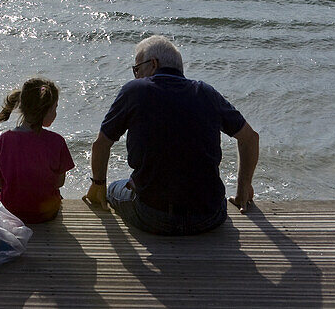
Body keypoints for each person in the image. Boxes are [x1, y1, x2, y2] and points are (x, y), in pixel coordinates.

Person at [84, 35, 259, 235]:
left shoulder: (136, 90)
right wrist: (243, 186)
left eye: (136, 69)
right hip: (209, 216)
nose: (136, 76)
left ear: (153, 63)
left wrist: (98, 184)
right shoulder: (206, 92)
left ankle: (133, 185)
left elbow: (101, 144)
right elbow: (250, 138)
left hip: (153, 216)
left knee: (114, 188)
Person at [0, 77, 74, 224]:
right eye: (55, 108)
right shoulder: (57, 141)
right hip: (47, 214)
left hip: (11, 212)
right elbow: (59, 182)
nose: (56, 113)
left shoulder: (4, 140)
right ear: (45, 110)